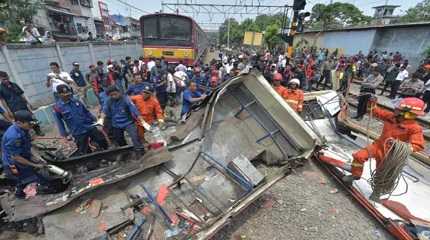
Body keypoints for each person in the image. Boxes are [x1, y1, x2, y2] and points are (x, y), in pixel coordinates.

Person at [344, 97, 425, 184]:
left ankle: (378, 191)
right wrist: (372, 102)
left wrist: (400, 146)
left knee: (381, 174)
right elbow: (374, 111)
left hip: (390, 153)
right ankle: (355, 174)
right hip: (377, 146)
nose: (395, 109)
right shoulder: (391, 117)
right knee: (359, 156)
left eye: (398, 109)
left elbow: (418, 145)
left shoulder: (415, 128)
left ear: (406, 114)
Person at [2, 111, 51, 198]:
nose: (32, 126)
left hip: (23, 158)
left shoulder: (24, 129)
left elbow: (29, 146)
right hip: (14, 164)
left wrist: (39, 159)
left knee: (42, 180)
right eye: (29, 123)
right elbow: (16, 157)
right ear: (19, 123)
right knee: (30, 184)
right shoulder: (13, 136)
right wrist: (35, 164)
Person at [53, 85, 108, 155]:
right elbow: (59, 123)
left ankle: (106, 153)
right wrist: (64, 135)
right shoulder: (57, 108)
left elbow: (86, 112)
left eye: (68, 94)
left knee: (101, 140)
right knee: (84, 150)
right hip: (78, 132)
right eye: (64, 94)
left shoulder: (76, 101)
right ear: (59, 95)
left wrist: (94, 119)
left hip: (89, 126)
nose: (67, 96)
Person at [103, 86, 145, 155]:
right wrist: (101, 119)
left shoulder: (126, 99)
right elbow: (104, 111)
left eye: (115, 94)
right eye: (111, 95)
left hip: (128, 122)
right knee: (119, 139)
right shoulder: (108, 101)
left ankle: (140, 151)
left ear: (119, 92)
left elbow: (133, 109)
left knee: (135, 137)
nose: (114, 96)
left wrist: (141, 119)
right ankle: (127, 152)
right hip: (116, 124)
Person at [0, 71, 43, 135]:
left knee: (31, 118)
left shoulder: (14, 85)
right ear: (0, 79)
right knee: (21, 122)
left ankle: (38, 131)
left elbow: (21, 95)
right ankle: (26, 135)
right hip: (14, 108)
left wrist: (29, 104)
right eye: (4, 79)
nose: (6, 80)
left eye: (7, 78)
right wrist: (8, 111)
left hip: (22, 105)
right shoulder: (0, 89)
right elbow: (3, 101)